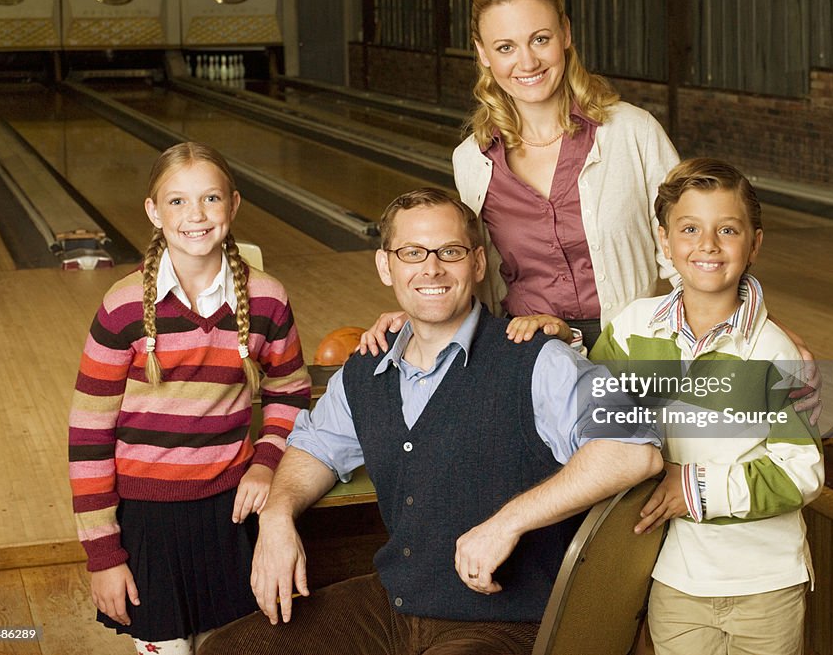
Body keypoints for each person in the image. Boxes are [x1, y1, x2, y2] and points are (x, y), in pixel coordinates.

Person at [205, 188, 662, 655]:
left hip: (505, 622)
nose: (432, 268)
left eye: (450, 251)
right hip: (397, 606)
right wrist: (278, 516)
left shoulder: (538, 359)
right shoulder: (364, 370)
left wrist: (506, 523)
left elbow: (633, 449)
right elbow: (314, 446)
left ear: (478, 264)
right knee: (228, 649)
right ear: (387, 266)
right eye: (412, 253)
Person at [359, 0, 821, 423]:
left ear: (565, 33)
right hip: (527, 355)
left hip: (633, 352)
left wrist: (756, 327)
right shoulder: (473, 159)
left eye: (539, 38)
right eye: (505, 47)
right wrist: (414, 321)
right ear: (482, 54)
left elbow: (694, 246)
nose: (527, 62)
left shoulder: (631, 132)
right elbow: (472, 274)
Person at [67, 142, 312, 655]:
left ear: (234, 205)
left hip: (232, 511)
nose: (196, 215)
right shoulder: (122, 307)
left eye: (210, 199)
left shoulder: (267, 298)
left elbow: (290, 392)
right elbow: (88, 438)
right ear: (154, 213)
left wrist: (266, 462)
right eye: (177, 201)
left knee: (236, 646)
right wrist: (104, 555)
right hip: (147, 523)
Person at [590, 158, 825, 655]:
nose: (708, 245)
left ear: (754, 243)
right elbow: (594, 422)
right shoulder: (633, 329)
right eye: (690, 228)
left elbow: (801, 472)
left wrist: (691, 485)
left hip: (767, 582)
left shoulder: (777, 352)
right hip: (674, 578)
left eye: (728, 230)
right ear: (664, 240)